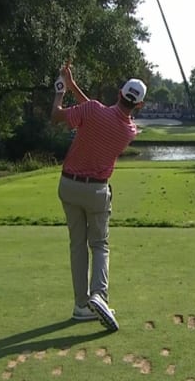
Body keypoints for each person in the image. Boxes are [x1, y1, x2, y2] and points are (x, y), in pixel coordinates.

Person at [50, 63, 146, 332]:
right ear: (139, 105)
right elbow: (98, 113)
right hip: (97, 192)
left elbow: (57, 115)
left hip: (68, 185)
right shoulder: (129, 131)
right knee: (100, 245)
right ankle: (99, 297)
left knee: (77, 245)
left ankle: (81, 306)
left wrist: (60, 90)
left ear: (119, 93)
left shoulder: (93, 110)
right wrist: (73, 86)